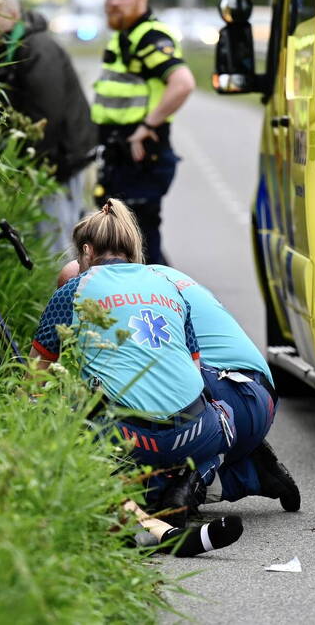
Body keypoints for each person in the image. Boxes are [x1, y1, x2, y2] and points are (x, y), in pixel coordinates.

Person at [30, 199, 233, 513]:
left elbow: (34, 376)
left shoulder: (74, 290)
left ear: (86, 252)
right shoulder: (168, 285)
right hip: (192, 432)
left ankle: (129, 493)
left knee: (64, 412)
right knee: (225, 416)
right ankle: (191, 482)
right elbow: (195, 372)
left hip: (128, 439)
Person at [147, 265, 300, 521]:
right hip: (258, 399)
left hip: (228, 395)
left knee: (146, 481)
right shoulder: (161, 276)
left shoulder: (127, 295)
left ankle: (191, 479)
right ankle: (250, 473)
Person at [0, 0, 97, 257]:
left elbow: (45, 116)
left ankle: (68, 283)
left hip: (59, 161)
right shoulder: (11, 46)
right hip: (50, 160)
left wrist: (30, 168)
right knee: (55, 234)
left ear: (12, 14)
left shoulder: (37, 49)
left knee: (58, 238)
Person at [91, 0, 195, 266]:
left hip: (140, 156)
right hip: (120, 156)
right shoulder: (125, 35)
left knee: (139, 245)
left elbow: (183, 83)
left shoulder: (149, 36)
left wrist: (148, 125)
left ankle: (162, 294)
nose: (113, 2)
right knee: (130, 243)